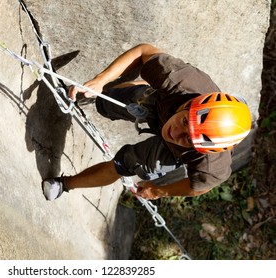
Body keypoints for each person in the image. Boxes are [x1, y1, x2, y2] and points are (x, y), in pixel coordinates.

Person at [41, 43, 252, 201]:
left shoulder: (210, 164)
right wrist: (101, 80)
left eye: (189, 139)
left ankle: (64, 184)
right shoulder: (180, 81)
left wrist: (159, 190)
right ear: (191, 104)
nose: (176, 133)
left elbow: (199, 187)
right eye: (184, 122)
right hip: (163, 102)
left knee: (124, 163)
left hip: (172, 152)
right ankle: (142, 85)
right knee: (106, 103)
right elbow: (143, 51)